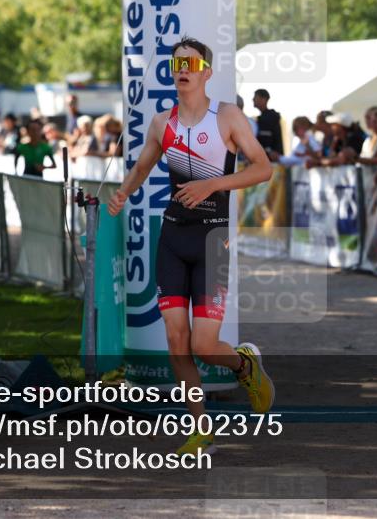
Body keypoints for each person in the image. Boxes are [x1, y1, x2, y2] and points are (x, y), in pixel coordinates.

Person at [106, 37, 274, 456]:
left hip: (213, 240)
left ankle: (243, 364)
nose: (182, 68)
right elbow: (143, 165)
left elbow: (263, 168)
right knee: (176, 342)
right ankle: (200, 428)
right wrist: (122, 194)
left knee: (203, 345)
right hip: (173, 238)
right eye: (176, 62)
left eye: (191, 63)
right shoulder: (163, 123)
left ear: (206, 72)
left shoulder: (228, 116)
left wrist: (213, 183)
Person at [253, 88, 284, 158]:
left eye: (255, 97)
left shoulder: (270, 118)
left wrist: (273, 151)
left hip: (270, 158)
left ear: (263, 99)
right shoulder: (266, 117)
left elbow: (268, 139)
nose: (253, 99)